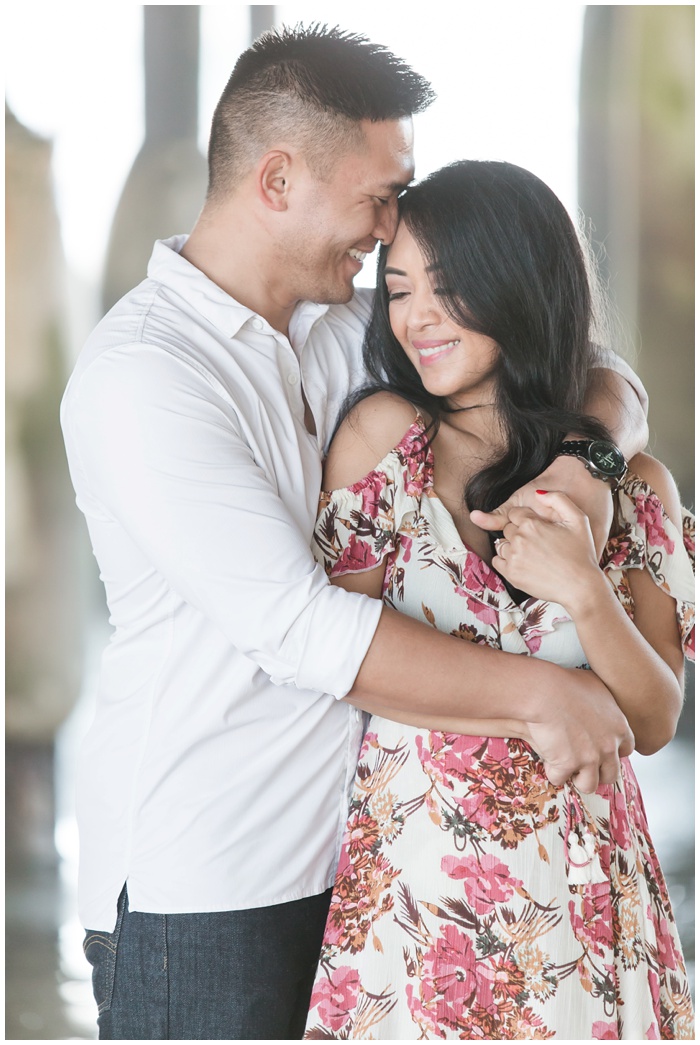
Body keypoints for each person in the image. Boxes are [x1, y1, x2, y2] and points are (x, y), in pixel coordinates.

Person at [61, 25, 649, 1042]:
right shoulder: (144, 377)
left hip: (360, 874)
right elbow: (298, 626)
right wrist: (544, 695)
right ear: (278, 179)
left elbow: (566, 352)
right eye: (379, 196)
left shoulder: (337, 329)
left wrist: (585, 466)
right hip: (206, 888)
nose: (389, 229)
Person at [303, 160, 695, 1040]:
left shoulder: (632, 485)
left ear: (519, 280)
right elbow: (335, 652)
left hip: (585, 893)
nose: (417, 317)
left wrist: (585, 592)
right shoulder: (384, 443)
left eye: (448, 287)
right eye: (398, 290)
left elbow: (658, 717)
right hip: (418, 894)